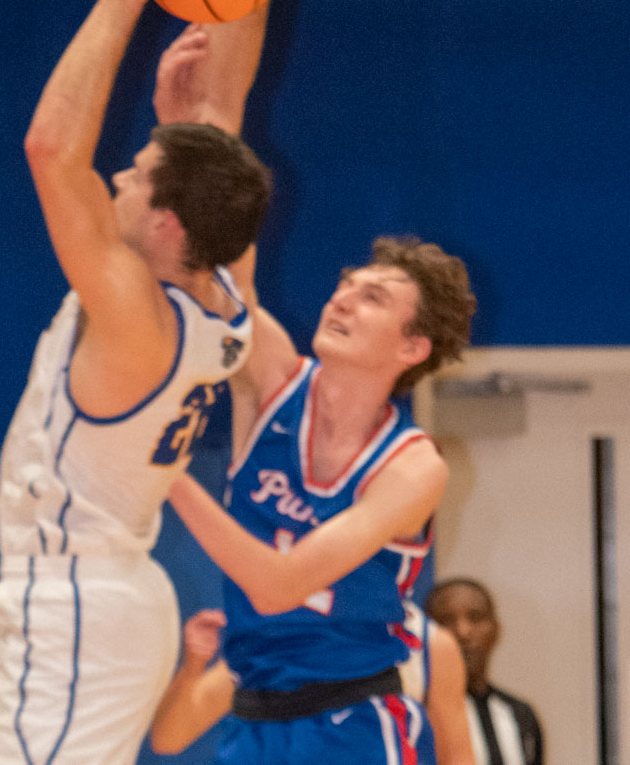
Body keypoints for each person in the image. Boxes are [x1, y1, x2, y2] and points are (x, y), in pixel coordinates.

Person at [0, 0, 277, 765]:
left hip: (75, 601)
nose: (117, 178)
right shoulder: (222, 299)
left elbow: (50, 150)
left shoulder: (138, 317)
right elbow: (222, 114)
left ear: (167, 224)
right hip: (111, 600)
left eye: (137, 174)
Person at [161, 226, 478, 764]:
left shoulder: (412, 466)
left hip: (349, 725)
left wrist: (165, 473)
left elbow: (278, 588)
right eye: (345, 285)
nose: (342, 300)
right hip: (251, 720)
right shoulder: (273, 383)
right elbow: (225, 280)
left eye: (372, 297)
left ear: (411, 346)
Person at [149, 601, 476, 763]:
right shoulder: (279, 629)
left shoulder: (429, 644)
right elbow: (169, 739)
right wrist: (193, 665)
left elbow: (457, 758)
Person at [426, 578, 544, 765]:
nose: (463, 632)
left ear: (495, 630)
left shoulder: (520, 714)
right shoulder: (416, 714)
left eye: (475, 618)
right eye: (446, 620)